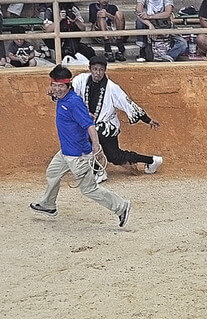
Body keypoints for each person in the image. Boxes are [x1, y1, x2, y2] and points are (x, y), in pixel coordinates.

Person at [30, 65, 131, 228]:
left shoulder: (73, 102)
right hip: (65, 152)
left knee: (89, 189)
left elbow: (90, 125)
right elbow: (67, 104)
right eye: (54, 86)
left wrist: (97, 147)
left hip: (78, 155)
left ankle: (121, 206)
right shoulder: (63, 98)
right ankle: (48, 205)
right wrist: (54, 96)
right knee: (52, 173)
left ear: (68, 86)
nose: (57, 89)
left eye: (60, 86)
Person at [72, 55, 163, 184]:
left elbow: (128, 104)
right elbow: (69, 92)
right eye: (95, 69)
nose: (98, 73)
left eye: (101, 70)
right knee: (115, 156)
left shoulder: (112, 87)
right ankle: (152, 160)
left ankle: (99, 171)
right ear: (90, 69)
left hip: (108, 125)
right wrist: (55, 93)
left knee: (92, 136)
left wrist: (147, 119)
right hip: (91, 124)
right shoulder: (80, 80)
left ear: (105, 70)